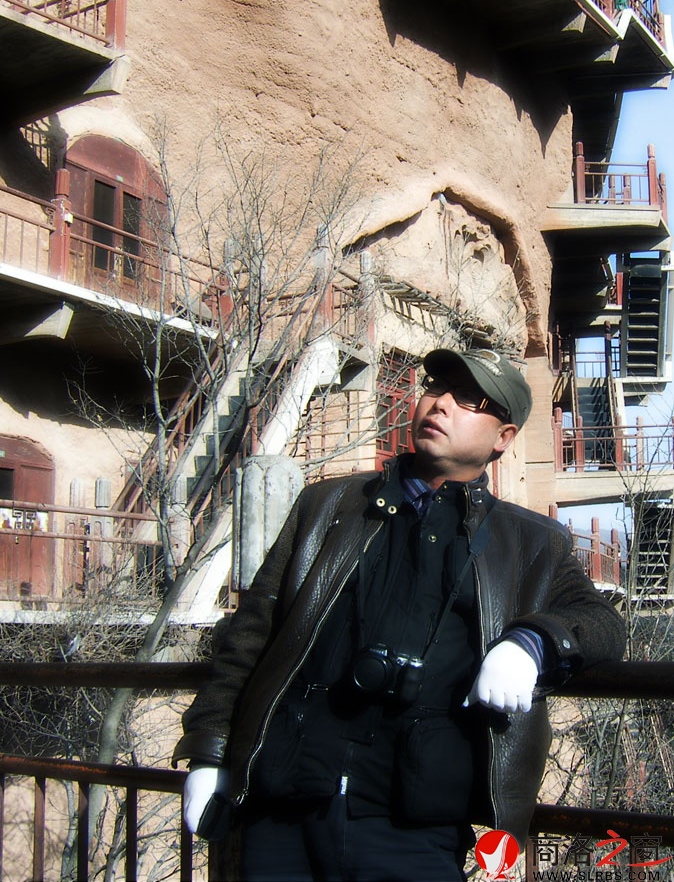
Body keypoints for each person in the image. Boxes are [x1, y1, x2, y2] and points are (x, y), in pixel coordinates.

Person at [173, 347, 625, 881]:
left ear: (503, 437)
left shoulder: (530, 543)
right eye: (436, 388)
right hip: (284, 806)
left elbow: (603, 625)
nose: (441, 404)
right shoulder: (327, 506)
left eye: (469, 399)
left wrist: (531, 644)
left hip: (417, 827)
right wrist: (209, 751)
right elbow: (252, 634)